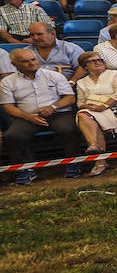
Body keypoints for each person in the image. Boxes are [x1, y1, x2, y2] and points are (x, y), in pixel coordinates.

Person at [0, 48, 84, 182]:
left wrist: (53, 107)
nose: (32, 63)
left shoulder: (54, 75)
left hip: (58, 113)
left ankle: (74, 162)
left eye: (33, 59)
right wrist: (28, 117)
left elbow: (70, 98)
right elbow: (8, 106)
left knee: (69, 128)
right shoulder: (7, 81)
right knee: (13, 135)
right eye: (25, 61)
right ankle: (25, 168)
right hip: (27, 116)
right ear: (14, 65)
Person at [74, 51, 117, 176]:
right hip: (92, 111)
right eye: (93, 61)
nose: (98, 62)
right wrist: (88, 106)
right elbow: (80, 103)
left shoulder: (114, 74)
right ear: (85, 66)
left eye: (100, 60)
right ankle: (95, 148)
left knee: (89, 118)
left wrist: (104, 106)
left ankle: (98, 158)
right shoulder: (81, 82)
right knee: (83, 114)